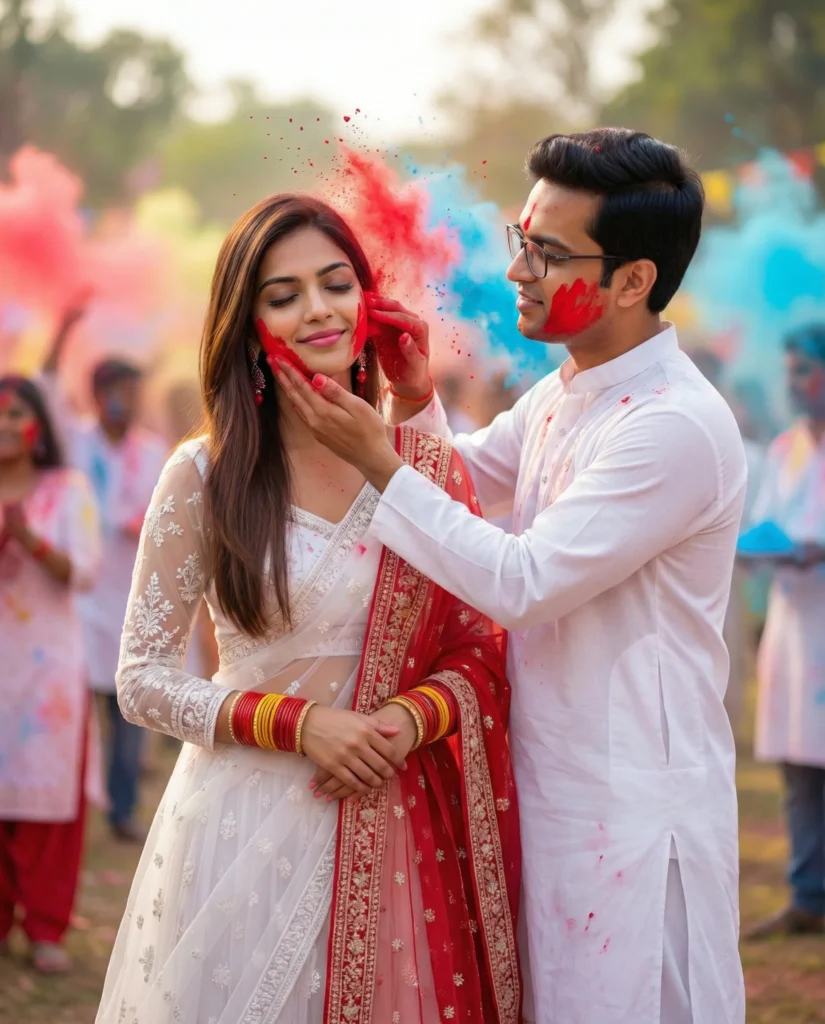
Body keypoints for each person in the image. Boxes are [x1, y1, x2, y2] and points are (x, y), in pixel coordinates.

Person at [275, 129, 748, 1024]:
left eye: (548, 252)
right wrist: (413, 402)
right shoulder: (569, 390)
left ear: (634, 279)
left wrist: (379, 458)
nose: (518, 271)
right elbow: (461, 488)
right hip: (547, 779)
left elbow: (518, 582)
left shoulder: (671, 425)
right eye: (520, 240)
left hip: (631, 805)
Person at [96, 194, 520, 1024]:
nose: (317, 309)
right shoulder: (205, 476)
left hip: (392, 816)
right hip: (239, 824)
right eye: (282, 294)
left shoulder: (418, 468)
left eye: (335, 284)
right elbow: (140, 680)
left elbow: (479, 645)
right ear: (247, 322)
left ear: (369, 302)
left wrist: (406, 719)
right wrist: (296, 724)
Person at [40, 315, 168, 842]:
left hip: (129, 602)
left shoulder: (155, 452)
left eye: (134, 392)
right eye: (118, 391)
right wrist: (63, 332)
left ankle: (120, 811)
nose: (127, 401)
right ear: (96, 394)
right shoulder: (74, 443)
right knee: (70, 714)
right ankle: (61, 805)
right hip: (74, 602)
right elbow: (42, 392)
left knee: (129, 716)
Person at [0, 376, 100, 973]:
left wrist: (30, 540)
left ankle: (45, 927)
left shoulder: (68, 490)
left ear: (38, 426)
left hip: (48, 678)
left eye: (17, 415)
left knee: (46, 804)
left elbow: (83, 574)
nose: (7, 426)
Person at [745, 324, 825, 939]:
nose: (794, 383)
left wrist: (811, 549)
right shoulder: (785, 449)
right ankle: (807, 896)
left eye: (805, 369)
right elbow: (766, 524)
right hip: (795, 625)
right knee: (800, 764)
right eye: (791, 370)